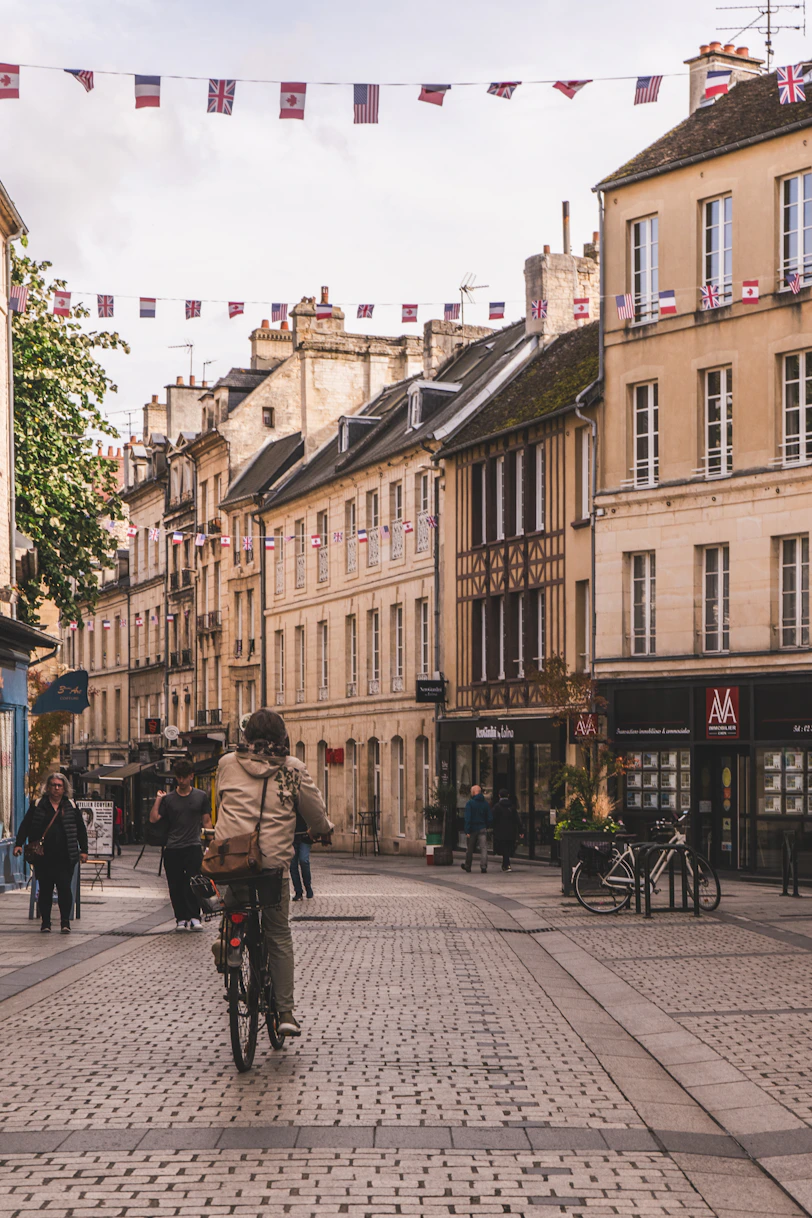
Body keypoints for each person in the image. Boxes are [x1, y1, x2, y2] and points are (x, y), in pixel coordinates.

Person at [214, 708, 333, 1037]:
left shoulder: (226, 764)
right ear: (283, 737)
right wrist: (323, 830)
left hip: (233, 861)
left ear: (246, 737)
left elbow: (224, 800)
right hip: (272, 867)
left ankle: (227, 943)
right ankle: (284, 1013)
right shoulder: (293, 769)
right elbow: (315, 812)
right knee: (278, 935)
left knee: (234, 905)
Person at [14, 773, 88, 932]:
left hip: (66, 855)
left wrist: (84, 850)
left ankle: (65, 923)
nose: (56, 788)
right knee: (45, 890)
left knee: (65, 889)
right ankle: (46, 923)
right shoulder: (38, 804)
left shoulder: (71, 805)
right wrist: (18, 844)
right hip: (43, 856)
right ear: (47, 787)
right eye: (53, 785)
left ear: (64, 788)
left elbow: (81, 829)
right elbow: (25, 825)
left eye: (59, 785)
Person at [150, 758, 212, 931]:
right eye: (179, 777)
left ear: (191, 776)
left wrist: (210, 844)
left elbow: (207, 821)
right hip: (172, 848)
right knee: (175, 884)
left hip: (193, 846)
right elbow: (154, 818)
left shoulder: (200, 796)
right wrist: (158, 800)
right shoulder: (169, 799)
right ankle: (181, 919)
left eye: (185, 777)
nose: (182, 780)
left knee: (194, 882)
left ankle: (194, 916)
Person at [460, 784, 492, 874]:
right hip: (482, 828)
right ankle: (484, 866)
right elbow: (489, 817)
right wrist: (486, 825)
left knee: (470, 848)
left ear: (473, 792)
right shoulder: (485, 803)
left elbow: (467, 818)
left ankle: (468, 866)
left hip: (473, 829)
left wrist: (467, 830)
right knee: (484, 848)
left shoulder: (470, 803)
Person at [492, 788, 523, 872]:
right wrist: (521, 830)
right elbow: (517, 820)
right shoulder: (512, 807)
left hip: (500, 831)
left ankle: (506, 864)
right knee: (508, 848)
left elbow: (493, 819)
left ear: (499, 796)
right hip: (511, 831)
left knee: (504, 848)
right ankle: (506, 864)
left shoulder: (496, 807)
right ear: (508, 796)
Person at [290, 809, 314, 902]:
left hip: (305, 836)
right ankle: (298, 891)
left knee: (304, 860)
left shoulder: (305, 798)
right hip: (292, 836)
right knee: (293, 865)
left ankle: (308, 887)